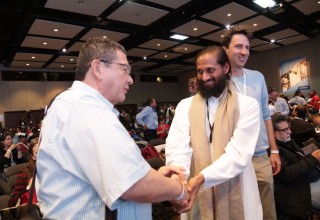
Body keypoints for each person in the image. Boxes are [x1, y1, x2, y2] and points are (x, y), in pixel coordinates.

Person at [36, 36, 188, 220]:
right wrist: (180, 190)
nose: (130, 79)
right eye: (124, 69)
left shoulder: (74, 105)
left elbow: (112, 174)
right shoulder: (84, 107)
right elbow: (132, 185)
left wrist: (155, 178)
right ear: (98, 68)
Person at [166, 46, 262, 219]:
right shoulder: (184, 106)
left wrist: (203, 177)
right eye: (200, 72)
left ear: (225, 68)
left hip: (235, 183)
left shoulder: (248, 105)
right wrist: (179, 181)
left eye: (210, 70)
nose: (204, 77)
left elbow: (238, 154)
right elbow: (178, 148)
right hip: (194, 186)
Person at [221, 26, 280, 220]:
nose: (244, 52)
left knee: (267, 207)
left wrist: (274, 150)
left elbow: (266, 114)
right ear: (225, 49)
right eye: (238, 46)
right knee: (237, 207)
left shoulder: (257, 77)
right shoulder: (218, 81)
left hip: (259, 153)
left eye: (247, 47)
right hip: (231, 155)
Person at [271, 114, 320, 219]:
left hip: (307, 183)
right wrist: (312, 159)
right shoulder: (273, 152)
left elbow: (300, 160)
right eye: (284, 130)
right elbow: (287, 174)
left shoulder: (288, 142)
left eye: (288, 128)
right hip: (297, 193)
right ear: (273, 134)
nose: (290, 132)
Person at [8, 137, 39, 207]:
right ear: (32, 156)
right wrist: (28, 187)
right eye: (38, 153)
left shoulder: (57, 171)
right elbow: (12, 203)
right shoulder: (25, 174)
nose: (44, 156)